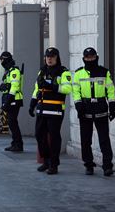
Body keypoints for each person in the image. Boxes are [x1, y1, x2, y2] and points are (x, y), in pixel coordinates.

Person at [73, 47, 115, 176]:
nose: (90, 59)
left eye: (92, 57)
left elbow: (111, 90)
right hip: (85, 109)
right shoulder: (78, 73)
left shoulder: (104, 72)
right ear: (84, 59)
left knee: (104, 140)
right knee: (86, 140)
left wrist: (112, 106)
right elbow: (76, 92)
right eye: (87, 58)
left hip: (101, 108)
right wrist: (79, 106)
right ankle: (89, 165)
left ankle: (107, 166)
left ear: (96, 57)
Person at [29, 47, 72, 175]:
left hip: (56, 109)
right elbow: (37, 89)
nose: (49, 59)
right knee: (39, 135)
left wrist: (51, 86)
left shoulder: (63, 72)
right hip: (42, 109)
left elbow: (68, 89)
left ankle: (54, 164)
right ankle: (46, 160)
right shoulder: (42, 71)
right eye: (47, 56)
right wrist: (32, 104)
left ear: (57, 58)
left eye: (52, 56)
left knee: (54, 138)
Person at [0, 51, 24, 152]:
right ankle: (15, 143)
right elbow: (9, 86)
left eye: (2, 59)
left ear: (6, 59)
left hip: (14, 100)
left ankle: (18, 144)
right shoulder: (8, 71)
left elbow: (14, 88)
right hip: (10, 99)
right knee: (11, 122)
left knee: (12, 122)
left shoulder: (14, 71)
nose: (1, 61)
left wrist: (7, 102)